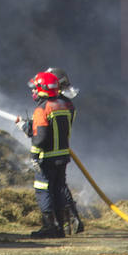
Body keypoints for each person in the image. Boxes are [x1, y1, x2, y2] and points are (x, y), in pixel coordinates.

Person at [15, 69, 75, 238]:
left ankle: (49, 227)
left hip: (47, 159)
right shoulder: (62, 106)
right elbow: (50, 132)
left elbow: (40, 139)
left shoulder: (42, 109)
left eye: (35, 88)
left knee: (43, 190)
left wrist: (34, 155)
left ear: (42, 89)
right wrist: (28, 127)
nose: (33, 92)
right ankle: (60, 228)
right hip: (62, 157)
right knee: (57, 190)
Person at [45, 67, 84, 234]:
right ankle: (70, 221)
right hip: (61, 150)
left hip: (52, 151)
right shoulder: (66, 103)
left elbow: (48, 127)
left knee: (55, 187)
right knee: (60, 186)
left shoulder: (58, 103)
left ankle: (62, 223)